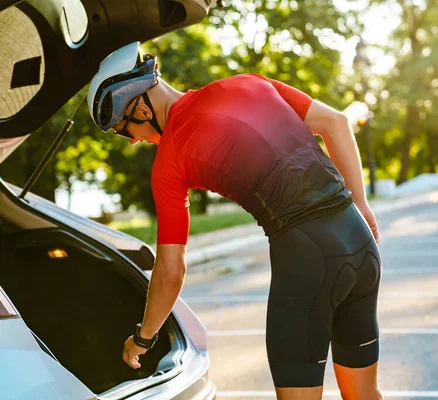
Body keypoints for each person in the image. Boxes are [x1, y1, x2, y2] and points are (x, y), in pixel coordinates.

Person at [88, 42, 383, 400]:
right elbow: (335, 123)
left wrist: (143, 338)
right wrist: (361, 205)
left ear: (138, 106)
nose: (132, 141)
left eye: (123, 129)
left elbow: (171, 271)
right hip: (360, 242)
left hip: (309, 259)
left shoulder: (169, 161)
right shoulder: (248, 82)